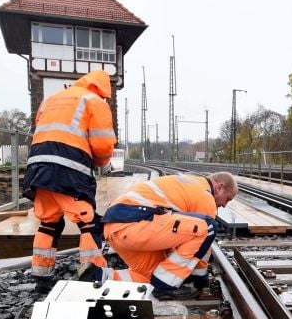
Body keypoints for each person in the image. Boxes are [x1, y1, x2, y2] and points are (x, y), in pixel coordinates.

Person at [81, 172, 238, 299]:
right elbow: (202, 246)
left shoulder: (190, 183)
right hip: (135, 224)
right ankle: (165, 287)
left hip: (114, 228)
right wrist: (200, 279)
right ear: (219, 187)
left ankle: (98, 276)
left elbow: (178, 236)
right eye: (228, 199)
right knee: (207, 227)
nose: (225, 205)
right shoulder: (205, 196)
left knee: (152, 278)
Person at [23, 70, 116, 282]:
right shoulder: (94, 101)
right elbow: (103, 142)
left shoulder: (51, 100)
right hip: (69, 167)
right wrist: (103, 164)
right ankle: (93, 274)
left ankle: (41, 275)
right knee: (88, 222)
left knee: (49, 222)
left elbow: (44, 129)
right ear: (101, 89)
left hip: (37, 166)